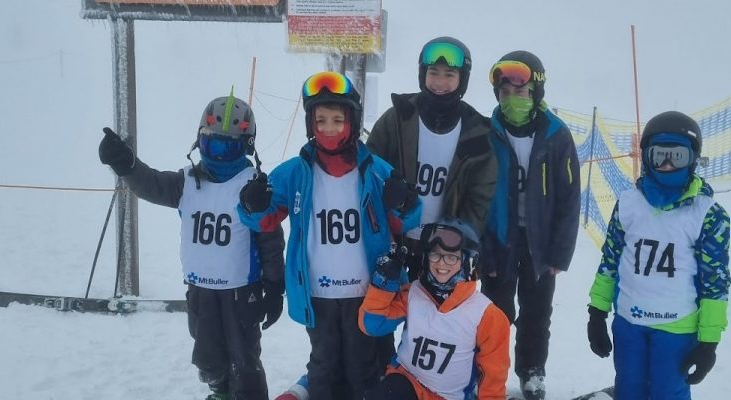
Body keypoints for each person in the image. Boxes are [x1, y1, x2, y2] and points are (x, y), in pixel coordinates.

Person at [237, 71, 421, 400]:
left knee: (363, 367)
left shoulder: (376, 170)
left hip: (366, 291)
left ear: (352, 121)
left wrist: (404, 203)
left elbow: (402, 222)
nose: (330, 129)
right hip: (318, 293)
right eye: (321, 120)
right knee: (323, 365)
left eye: (338, 120)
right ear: (310, 124)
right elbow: (263, 220)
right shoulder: (294, 172)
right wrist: (253, 204)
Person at [97, 93, 285, 400]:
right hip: (200, 292)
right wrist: (127, 165)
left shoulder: (254, 188)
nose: (221, 156)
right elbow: (152, 184)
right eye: (214, 145)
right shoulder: (186, 182)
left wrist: (275, 286)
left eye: (231, 147)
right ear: (200, 142)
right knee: (208, 357)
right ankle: (221, 392)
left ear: (247, 146)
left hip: (242, 293)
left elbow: (270, 240)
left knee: (245, 362)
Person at [586, 111, 731, 400]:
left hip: (676, 328)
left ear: (693, 159)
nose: (666, 165)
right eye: (659, 156)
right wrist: (597, 313)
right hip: (630, 323)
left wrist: (708, 342)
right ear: (646, 158)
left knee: (669, 392)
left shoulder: (707, 215)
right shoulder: (629, 204)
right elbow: (610, 261)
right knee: (629, 388)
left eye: (676, 156)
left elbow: (715, 283)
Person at [478, 51, 581, 400]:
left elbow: (569, 199)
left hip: (540, 242)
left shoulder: (556, 135)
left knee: (537, 312)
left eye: (520, 93)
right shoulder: (486, 132)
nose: (512, 100)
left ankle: (532, 369)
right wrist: (481, 249)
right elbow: (476, 194)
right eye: (505, 93)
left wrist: (559, 252)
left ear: (535, 92)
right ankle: (489, 371)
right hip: (499, 239)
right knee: (495, 312)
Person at [366, 36, 497, 279]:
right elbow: (368, 169)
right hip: (393, 238)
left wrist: (456, 241)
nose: (439, 82)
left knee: (431, 316)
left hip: (443, 249)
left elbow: (480, 198)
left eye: (449, 74)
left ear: (462, 79)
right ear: (422, 74)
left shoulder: (476, 132)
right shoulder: (397, 118)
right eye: (433, 72)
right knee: (383, 311)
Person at [360, 218, 510, 400]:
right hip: (406, 382)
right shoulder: (414, 294)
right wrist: (384, 282)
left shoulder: (486, 315)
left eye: (451, 257)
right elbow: (371, 324)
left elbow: (493, 376)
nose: (441, 263)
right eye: (435, 254)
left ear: (467, 262)